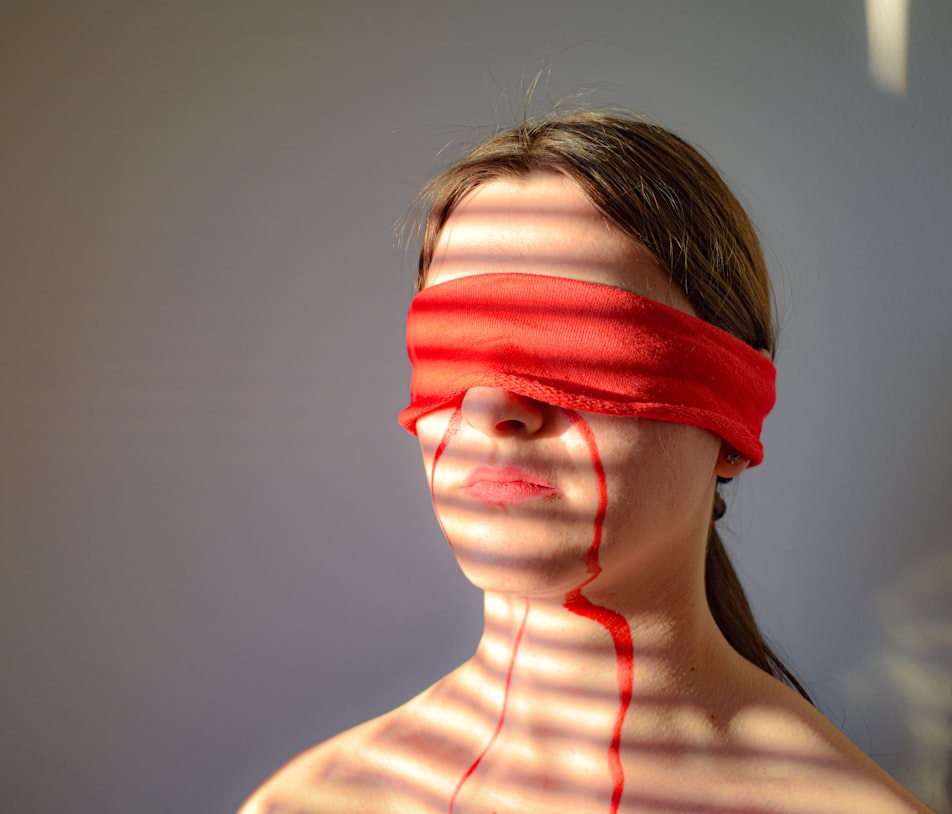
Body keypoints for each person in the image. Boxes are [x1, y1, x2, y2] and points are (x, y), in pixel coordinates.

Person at [239, 112, 931, 813]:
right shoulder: (310, 803)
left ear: (732, 419)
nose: (492, 406)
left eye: (579, 342)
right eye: (452, 347)